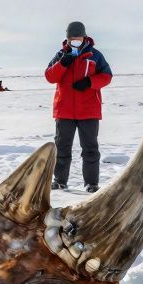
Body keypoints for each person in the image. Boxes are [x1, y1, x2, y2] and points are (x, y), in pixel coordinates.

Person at [44, 21, 113, 192]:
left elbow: (107, 76)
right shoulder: (61, 55)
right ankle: (60, 181)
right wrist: (63, 64)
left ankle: (91, 184)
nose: (76, 40)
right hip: (64, 111)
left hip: (89, 111)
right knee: (61, 149)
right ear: (67, 38)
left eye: (78, 37)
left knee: (90, 149)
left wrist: (90, 82)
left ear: (84, 36)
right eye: (72, 38)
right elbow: (50, 77)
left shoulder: (95, 55)